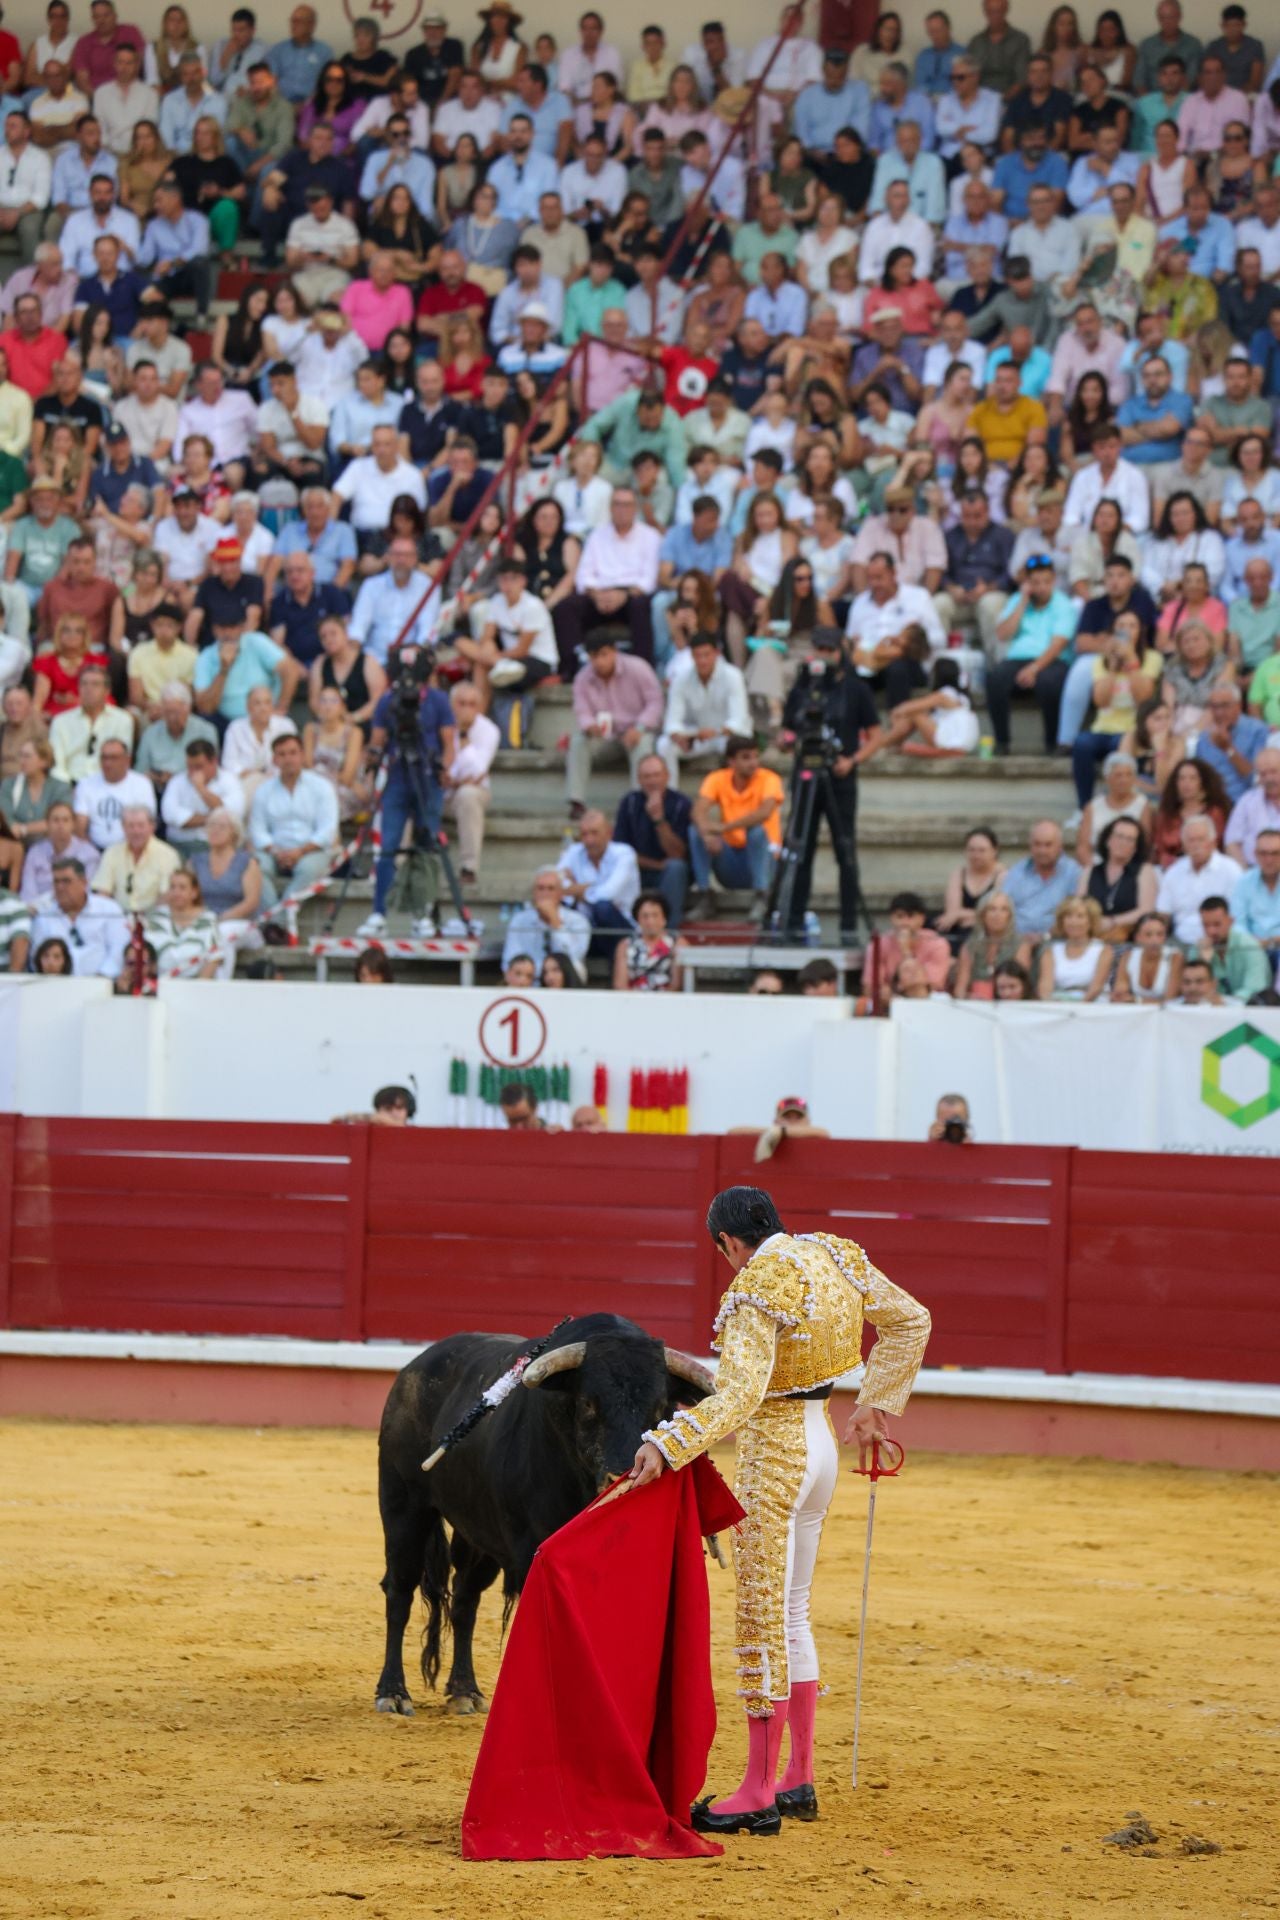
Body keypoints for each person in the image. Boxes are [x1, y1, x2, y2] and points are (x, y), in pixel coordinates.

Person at [627, 1183, 930, 1833]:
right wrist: (874, 1402)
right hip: (821, 1447)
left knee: (763, 1613)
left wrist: (666, 1442)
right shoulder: (833, 1256)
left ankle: (759, 1790)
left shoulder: (752, 1288)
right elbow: (911, 1319)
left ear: (728, 1244)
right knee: (793, 1612)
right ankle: (797, 1778)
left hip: (775, 1457)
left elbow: (736, 1399)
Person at [357, 649, 454, 939]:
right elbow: (377, 740)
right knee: (387, 846)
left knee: (425, 848)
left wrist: (444, 768)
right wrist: (372, 757)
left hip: (427, 779)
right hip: (398, 777)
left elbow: (449, 742)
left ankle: (422, 912)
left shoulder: (438, 700)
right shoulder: (388, 701)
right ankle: (379, 913)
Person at [566, 629, 663, 817]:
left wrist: (640, 727)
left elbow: (655, 702)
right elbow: (581, 709)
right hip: (605, 738)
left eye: (604, 655)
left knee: (642, 743)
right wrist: (589, 725)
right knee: (578, 742)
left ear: (614, 652)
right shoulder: (583, 678)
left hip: (637, 732)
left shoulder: (638, 668)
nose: (600, 662)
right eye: (594, 656)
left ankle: (639, 800)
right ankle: (576, 801)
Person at [987, 555, 1076, 753]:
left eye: (1046, 581)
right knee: (994, 679)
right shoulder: (1018, 600)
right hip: (1018, 659)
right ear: (1027, 583)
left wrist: (1034, 668)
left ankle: (1052, 743)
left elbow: (1058, 645)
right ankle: (1002, 742)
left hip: (1052, 660)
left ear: (1053, 580)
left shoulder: (1063, 604)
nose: (1042, 587)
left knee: (1048, 682)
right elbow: (1002, 634)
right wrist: (1022, 602)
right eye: (1035, 582)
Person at [248, 728, 339, 925]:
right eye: (282, 754)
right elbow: (258, 831)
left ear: (302, 755)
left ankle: (275, 922)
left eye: (293, 753)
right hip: (275, 852)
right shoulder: (264, 791)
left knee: (308, 869)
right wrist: (276, 851)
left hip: (311, 850)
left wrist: (300, 851)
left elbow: (327, 831)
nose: (288, 759)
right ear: (274, 760)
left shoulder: (321, 787)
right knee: (256, 867)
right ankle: (278, 921)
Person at [687, 734, 783, 919]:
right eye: (746, 757)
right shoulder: (717, 778)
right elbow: (698, 811)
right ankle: (705, 894)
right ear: (731, 761)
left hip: (766, 861)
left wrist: (723, 828)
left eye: (756, 756)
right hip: (731, 862)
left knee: (757, 832)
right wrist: (706, 834)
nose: (753, 762)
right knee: (695, 831)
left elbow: (764, 813)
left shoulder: (770, 778)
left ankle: (762, 895)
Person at [29, 854, 128, 976]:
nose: (60, 887)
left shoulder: (109, 910)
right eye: (56, 882)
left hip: (103, 985)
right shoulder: (44, 917)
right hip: (56, 985)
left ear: (83, 882)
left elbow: (119, 950)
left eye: (66, 881)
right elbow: (37, 958)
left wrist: (102, 978)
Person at [439, 679, 497, 887]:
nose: (465, 709)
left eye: (472, 704)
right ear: (451, 704)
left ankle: (468, 867)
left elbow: (477, 771)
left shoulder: (489, 730)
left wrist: (462, 735)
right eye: (460, 703)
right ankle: (396, 865)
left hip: (469, 794)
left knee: (468, 794)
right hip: (439, 793)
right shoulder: (439, 723)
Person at [1156, 813, 1244, 947]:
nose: (1196, 845)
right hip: (1180, 941)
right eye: (1191, 840)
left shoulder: (1231, 870)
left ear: (1213, 842)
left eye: (1201, 839)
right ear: (1183, 845)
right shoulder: (1173, 872)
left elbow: (1237, 915)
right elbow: (1163, 915)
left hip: (1220, 942)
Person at [501, 866, 591, 978]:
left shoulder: (578, 920)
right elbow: (510, 960)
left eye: (551, 889)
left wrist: (556, 923)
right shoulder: (519, 920)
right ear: (534, 892)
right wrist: (538, 974)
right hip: (529, 982)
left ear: (561, 894)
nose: (545, 894)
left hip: (564, 985)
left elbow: (573, 958)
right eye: (540, 888)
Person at [91, 802, 180, 911]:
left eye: (141, 825)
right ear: (123, 827)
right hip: (118, 918)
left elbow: (166, 895)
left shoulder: (168, 855)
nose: (136, 831)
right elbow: (102, 892)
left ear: (152, 827)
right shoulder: (112, 853)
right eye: (130, 826)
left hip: (154, 918)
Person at [1004, 819, 1081, 940]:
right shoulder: (1017, 871)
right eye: (1037, 844)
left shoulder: (1074, 873)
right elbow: (1004, 907)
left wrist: (1045, 936)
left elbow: (1076, 913)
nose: (1042, 851)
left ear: (1060, 846)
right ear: (1030, 845)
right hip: (1017, 940)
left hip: (1057, 941)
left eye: (1048, 845)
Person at [1196, 894, 1272, 1001]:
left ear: (1230, 921)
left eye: (1217, 924)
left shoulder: (1249, 946)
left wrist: (1224, 1002)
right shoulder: (1198, 949)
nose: (1211, 931)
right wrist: (1203, 963)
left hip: (1248, 1013)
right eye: (1206, 925)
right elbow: (1193, 994)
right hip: (1209, 1012)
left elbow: (1255, 990)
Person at [952, 889, 1026, 999]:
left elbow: (1019, 986)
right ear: (982, 915)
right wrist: (969, 998)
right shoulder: (970, 945)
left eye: (1004, 910)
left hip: (1009, 1004)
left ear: (1009, 916)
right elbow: (960, 988)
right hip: (975, 1004)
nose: (997, 915)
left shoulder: (1021, 945)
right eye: (992, 909)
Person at [611, 888, 680, 992]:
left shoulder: (677, 944)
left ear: (664, 918)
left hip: (667, 1003)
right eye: (645, 916)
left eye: (655, 915)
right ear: (637, 919)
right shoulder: (625, 945)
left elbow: (676, 986)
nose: (650, 921)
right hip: (632, 1003)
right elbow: (620, 985)